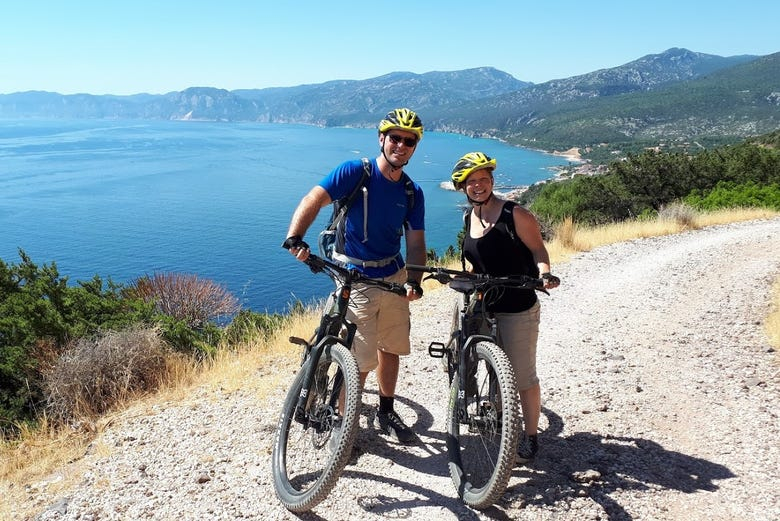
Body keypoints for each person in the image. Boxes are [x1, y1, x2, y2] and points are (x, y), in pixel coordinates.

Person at [282, 108, 427, 443]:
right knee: (359, 361)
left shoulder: (411, 192)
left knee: (391, 348)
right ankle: (343, 428)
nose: (401, 146)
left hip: (393, 275)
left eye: (409, 141)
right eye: (395, 138)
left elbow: (416, 242)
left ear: (414, 147)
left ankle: (386, 410)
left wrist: (414, 281)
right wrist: (295, 236)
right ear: (382, 139)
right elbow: (314, 198)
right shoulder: (355, 172)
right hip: (355, 276)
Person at [450, 151, 560, 463]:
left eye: (484, 179)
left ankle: (531, 435)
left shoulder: (515, 215)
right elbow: (475, 262)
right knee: (484, 363)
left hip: (517, 304)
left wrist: (545, 274)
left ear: (492, 181)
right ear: (463, 187)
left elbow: (538, 249)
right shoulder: (467, 218)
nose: (478, 185)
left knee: (522, 376)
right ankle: (495, 413)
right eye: (472, 182)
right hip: (485, 305)